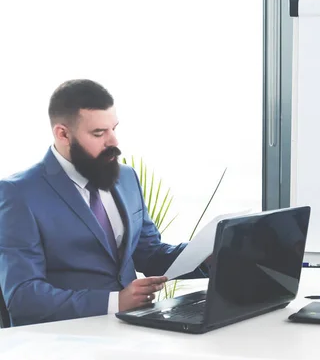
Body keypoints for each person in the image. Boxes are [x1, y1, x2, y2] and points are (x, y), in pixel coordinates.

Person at [0, 79, 210, 326]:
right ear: (63, 134)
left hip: (134, 331)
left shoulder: (126, 178)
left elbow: (150, 254)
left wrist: (205, 255)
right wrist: (116, 302)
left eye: (113, 128)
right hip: (62, 341)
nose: (114, 142)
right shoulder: (18, 193)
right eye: (99, 133)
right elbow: (23, 298)